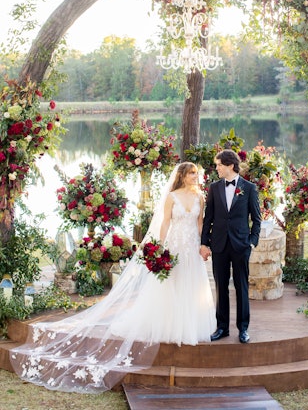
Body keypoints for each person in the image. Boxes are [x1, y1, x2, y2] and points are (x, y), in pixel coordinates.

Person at [10, 162, 216, 393]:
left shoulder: (200, 196)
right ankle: (170, 324)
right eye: (191, 173)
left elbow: (200, 224)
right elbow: (165, 223)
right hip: (174, 246)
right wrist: (159, 248)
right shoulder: (172, 196)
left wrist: (203, 245)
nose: (195, 177)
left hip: (191, 247)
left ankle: (190, 324)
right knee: (171, 284)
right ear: (182, 176)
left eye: (196, 174)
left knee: (190, 285)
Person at [200, 149, 261, 344]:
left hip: (241, 245)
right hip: (219, 245)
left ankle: (243, 329)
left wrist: (252, 241)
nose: (216, 168)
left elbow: (257, 218)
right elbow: (208, 218)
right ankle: (222, 328)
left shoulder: (249, 188)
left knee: (241, 286)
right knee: (221, 286)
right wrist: (204, 243)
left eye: (219, 165)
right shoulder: (214, 188)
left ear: (230, 166)